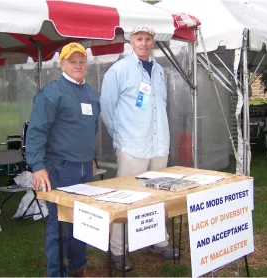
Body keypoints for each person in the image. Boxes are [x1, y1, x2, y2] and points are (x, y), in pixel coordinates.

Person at [100, 25, 179, 272]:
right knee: (125, 199)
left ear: (153, 42)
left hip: (158, 145)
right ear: (131, 42)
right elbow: (107, 107)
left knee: (157, 196)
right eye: (138, 39)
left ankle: (156, 240)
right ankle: (117, 250)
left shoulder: (158, 71)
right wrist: (120, 137)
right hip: (132, 145)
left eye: (148, 39)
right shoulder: (119, 70)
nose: (143, 43)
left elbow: (160, 105)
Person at [25, 42, 100, 277]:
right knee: (60, 225)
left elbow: (91, 128)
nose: (78, 65)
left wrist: (92, 158)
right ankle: (57, 273)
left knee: (83, 220)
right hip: (59, 167)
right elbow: (36, 131)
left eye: (81, 61)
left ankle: (77, 266)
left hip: (84, 167)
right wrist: (37, 167)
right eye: (72, 61)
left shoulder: (89, 92)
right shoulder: (52, 93)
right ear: (62, 64)